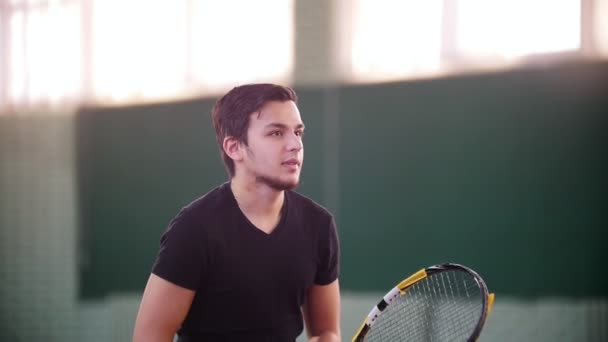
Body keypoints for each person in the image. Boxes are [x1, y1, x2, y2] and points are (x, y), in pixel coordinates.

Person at [132, 83, 341, 342]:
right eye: (276, 133)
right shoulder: (194, 229)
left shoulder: (318, 225)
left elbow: (326, 331)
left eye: (298, 132)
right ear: (234, 148)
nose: (295, 145)